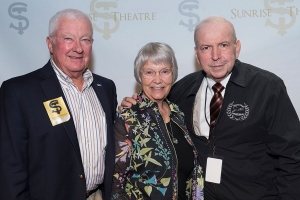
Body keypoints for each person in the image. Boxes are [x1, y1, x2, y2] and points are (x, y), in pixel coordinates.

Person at [119, 16, 300, 199]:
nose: (215, 56)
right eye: (206, 48)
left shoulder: (268, 88)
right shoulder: (181, 90)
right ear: (197, 54)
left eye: (223, 45)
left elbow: (292, 156)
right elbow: (156, 104)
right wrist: (136, 103)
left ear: (237, 47)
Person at [0, 9, 117, 200]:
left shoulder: (106, 88)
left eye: (85, 39)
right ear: (50, 44)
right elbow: (10, 168)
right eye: (68, 39)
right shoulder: (19, 92)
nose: (78, 48)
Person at [110, 42, 204, 200]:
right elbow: (116, 184)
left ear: (173, 74)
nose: (158, 80)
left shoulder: (179, 114)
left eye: (165, 71)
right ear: (140, 76)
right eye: (149, 72)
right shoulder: (128, 117)